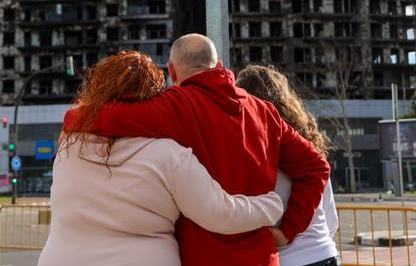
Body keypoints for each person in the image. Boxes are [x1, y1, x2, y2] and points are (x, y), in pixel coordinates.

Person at [63, 34, 331, 266]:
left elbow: (96, 118)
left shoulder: (176, 107)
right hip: (262, 258)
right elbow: (316, 166)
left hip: (204, 258)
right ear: (220, 66)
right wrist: (288, 229)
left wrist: (72, 118)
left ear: (172, 71)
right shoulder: (265, 112)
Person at [237, 64, 340, 266]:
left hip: (278, 259)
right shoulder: (309, 149)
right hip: (322, 253)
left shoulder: (250, 154)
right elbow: (331, 220)